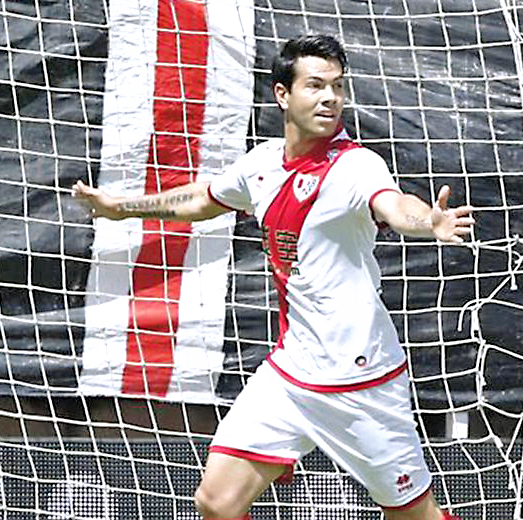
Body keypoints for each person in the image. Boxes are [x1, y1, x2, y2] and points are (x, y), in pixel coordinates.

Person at [74, 35, 471, 520]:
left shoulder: (356, 166)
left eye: (337, 87)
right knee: (216, 503)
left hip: (362, 382)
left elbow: (394, 205)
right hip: (290, 375)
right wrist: (121, 209)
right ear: (283, 94)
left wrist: (428, 220)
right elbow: (202, 200)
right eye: (315, 86)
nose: (330, 98)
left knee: (416, 517)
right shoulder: (261, 164)